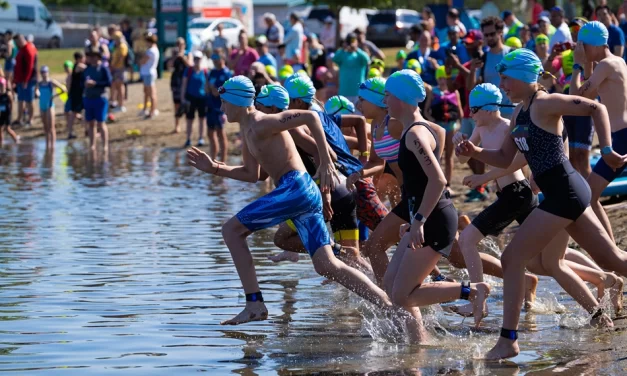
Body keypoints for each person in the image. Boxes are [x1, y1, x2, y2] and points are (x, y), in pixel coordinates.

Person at [456, 48, 627, 360]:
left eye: (506, 77)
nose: (502, 83)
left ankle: (508, 341)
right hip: (559, 193)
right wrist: (474, 151)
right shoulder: (520, 111)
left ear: (522, 76)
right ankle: (515, 339)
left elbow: (595, 109)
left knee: (511, 259)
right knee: (614, 260)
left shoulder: (545, 102)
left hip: (565, 190)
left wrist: (607, 150)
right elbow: (506, 158)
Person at [186, 75, 395, 326]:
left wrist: (327, 163)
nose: (222, 108)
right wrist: (215, 168)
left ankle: (254, 304)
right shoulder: (248, 130)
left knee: (231, 230)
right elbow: (253, 174)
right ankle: (390, 305)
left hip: (295, 187)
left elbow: (311, 117)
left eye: (224, 102)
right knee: (326, 264)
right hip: (302, 193)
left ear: (238, 101)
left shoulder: (262, 121)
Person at [381, 69, 489, 338]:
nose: (385, 101)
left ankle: (472, 291)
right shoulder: (428, 128)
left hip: (433, 220)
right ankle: (418, 343)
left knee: (403, 294)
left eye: (388, 95)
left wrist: (418, 221)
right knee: (391, 284)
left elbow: (438, 180)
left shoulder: (415, 134)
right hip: (424, 216)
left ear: (402, 98)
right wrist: (414, 220)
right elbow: (420, 182)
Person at [570, 21, 627, 243]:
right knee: (590, 196)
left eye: (582, 46)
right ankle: (612, 248)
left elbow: (575, 99)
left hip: (621, 138)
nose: (581, 51)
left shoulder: (605, 65)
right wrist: (587, 65)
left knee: (590, 196)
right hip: (621, 136)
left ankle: (611, 249)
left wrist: (577, 64)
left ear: (592, 45)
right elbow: (589, 99)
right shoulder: (616, 62)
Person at [446, 29, 489, 202]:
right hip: (467, 113)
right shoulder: (466, 64)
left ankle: (481, 186)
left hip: (481, 114)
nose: (467, 45)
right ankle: (480, 184)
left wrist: (459, 67)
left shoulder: (484, 63)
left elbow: (475, 86)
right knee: (464, 149)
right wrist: (449, 71)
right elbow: (451, 88)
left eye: (471, 42)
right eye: (466, 42)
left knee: (477, 150)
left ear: (480, 42)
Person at [350, 77, 403, 208]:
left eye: (362, 99)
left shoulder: (395, 122)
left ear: (377, 100)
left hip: (419, 188)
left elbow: (436, 130)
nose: (358, 104)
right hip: (405, 188)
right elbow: (376, 162)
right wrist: (357, 174)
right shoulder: (376, 124)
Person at [425, 66, 462, 193]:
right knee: (438, 156)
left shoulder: (454, 92)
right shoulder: (433, 92)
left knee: (449, 156)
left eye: (444, 78)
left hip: (451, 126)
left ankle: (448, 185)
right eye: (440, 78)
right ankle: (438, 182)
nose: (442, 81)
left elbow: (459, 112)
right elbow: (426, 111)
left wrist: (460, 127)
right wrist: (432, 122)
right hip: (438, 126)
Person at [468, 17, 514, 119]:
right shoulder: (483, 58)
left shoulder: (512, 54)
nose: (489, 38)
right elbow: (471, 88)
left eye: (492, 34)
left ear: (500, 32)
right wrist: (472, 70)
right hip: (491, 115)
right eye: (486, 35)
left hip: (512, 112)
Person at [82, 50, 112, 152]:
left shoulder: (103, 68)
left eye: (93, 57)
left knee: (101, 122)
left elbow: (109, 82)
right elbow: (82, 81)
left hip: (100, 98)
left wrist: (95, 83)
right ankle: (92, 145)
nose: (91, 59)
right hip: (88, 98)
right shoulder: (87, 69)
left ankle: (105, 145)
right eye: (90, 57)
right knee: (90, 123)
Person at [206, 52, 232, 161]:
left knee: (221, 133)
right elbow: (207, 89)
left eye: (216, 57)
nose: (214, 60)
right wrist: (211, 88)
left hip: (220, 107)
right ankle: (213, 159)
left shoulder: (226, 73)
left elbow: (220, 92)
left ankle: (223, 161)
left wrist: (213, 89)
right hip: (210, 106)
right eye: (212, 57)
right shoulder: (212, 72)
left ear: (222, 58)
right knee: (210, 133)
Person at [333, 34, 369, 107]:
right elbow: (335, 58)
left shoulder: (359, 55)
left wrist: (356, 49)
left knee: (359, 117)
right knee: (344, 117)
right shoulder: (343, 55)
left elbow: (367, 59)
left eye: (353, 41)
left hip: (358, 93)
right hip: (344, 92)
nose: (351, 43)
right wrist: (343, 48)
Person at [181, 51, 208, 148]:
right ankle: (188, 138)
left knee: (202, 118)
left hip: (202, 98)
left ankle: (201, 138)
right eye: (195, 58)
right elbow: (184, 84)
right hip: (190, 97)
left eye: (198, 59)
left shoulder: (205, 71)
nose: (197, 61)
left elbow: (208, 85)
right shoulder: (188, 70)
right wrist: (182, 98)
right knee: (189, 119)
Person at [12, 34, 38, 127]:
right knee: (20, 99)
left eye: (18, 41)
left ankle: (31, 119)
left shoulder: (29, 48)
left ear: (22, 39)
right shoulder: (20, 50)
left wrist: (26, 80)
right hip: (20, 80)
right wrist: (15, 80)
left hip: (29, 80)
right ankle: (19, 118)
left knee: (29, 100)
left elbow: (30, 67)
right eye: (16, 42)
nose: (17, 43)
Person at [38, 66, 65, 149]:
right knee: (45, 127)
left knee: (51, 127)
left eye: (45, 72)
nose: (44, 74)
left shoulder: (51, 82)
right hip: (41, 105)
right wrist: (36, 93)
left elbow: (63, 89)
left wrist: (54, 96)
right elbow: (36, 91)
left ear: (48, 72)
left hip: (49, 105)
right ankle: (47, 145)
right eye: (42, 72)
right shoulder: (39, 83)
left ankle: (53, 146)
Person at [168, 38, 189, 134]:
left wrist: (183, 57)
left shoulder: (188, 54)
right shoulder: (174, 55)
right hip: (176, 81)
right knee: (176, 104)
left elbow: (190, 65)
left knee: (186, 104)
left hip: (185, 81)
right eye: (177, 44)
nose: (179, 46)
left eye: (181, 44)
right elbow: (169, 66)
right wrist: (174, 57)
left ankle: (187, 125)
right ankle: (177, 125)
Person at [139, 32, 159, 119]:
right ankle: (146, 109)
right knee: (147, 93)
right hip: (148, 73)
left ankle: (152, 111)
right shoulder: (153, 49)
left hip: (149, 73)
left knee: (152, 94)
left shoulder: (151, 51)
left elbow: (142, 61)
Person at [66, 52, 86, 140]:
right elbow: (88, 69)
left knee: (81, 112)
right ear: (79, 59)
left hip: (78, 93)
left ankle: (87, 129)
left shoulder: (75, 66)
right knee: (74, 113)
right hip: (77, 94)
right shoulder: (79, 66)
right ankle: (70, 132)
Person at [110, 31, 128, 113]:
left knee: (120, 87)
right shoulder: (116, 46)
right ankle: (117, 103)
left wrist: (113, 66)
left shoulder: (122, 46)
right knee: (116, 86)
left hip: (120, 69)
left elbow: (121, 58)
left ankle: (121, 105)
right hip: (116, 69)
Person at [0, 77, 18, 144]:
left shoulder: (8, 94)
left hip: (7, 113)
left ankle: (16, 140)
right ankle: (1, 143)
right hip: (1, 113)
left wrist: (10, 112)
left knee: (7, 129)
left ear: (4, 85)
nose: (0, 86)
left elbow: (11, 103)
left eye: (1, 85)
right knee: (0, 129)